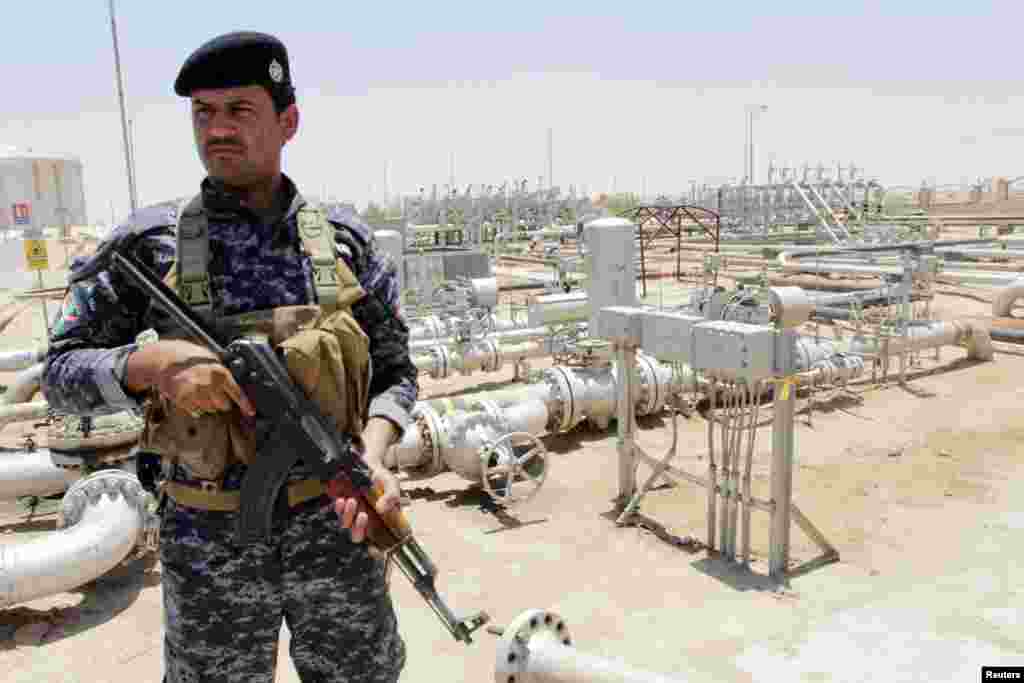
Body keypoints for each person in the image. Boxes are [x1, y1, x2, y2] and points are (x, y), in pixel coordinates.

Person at [41, 31, 417, 683]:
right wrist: (150, 366)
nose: (217, 129)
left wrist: (376, 455)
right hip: (208, 546)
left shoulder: (345, 243)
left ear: (288, 121)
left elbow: (396, 375)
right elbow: (60, 373)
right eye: (203, 113)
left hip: (336, 535)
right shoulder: (147, 245)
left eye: (239, 110)